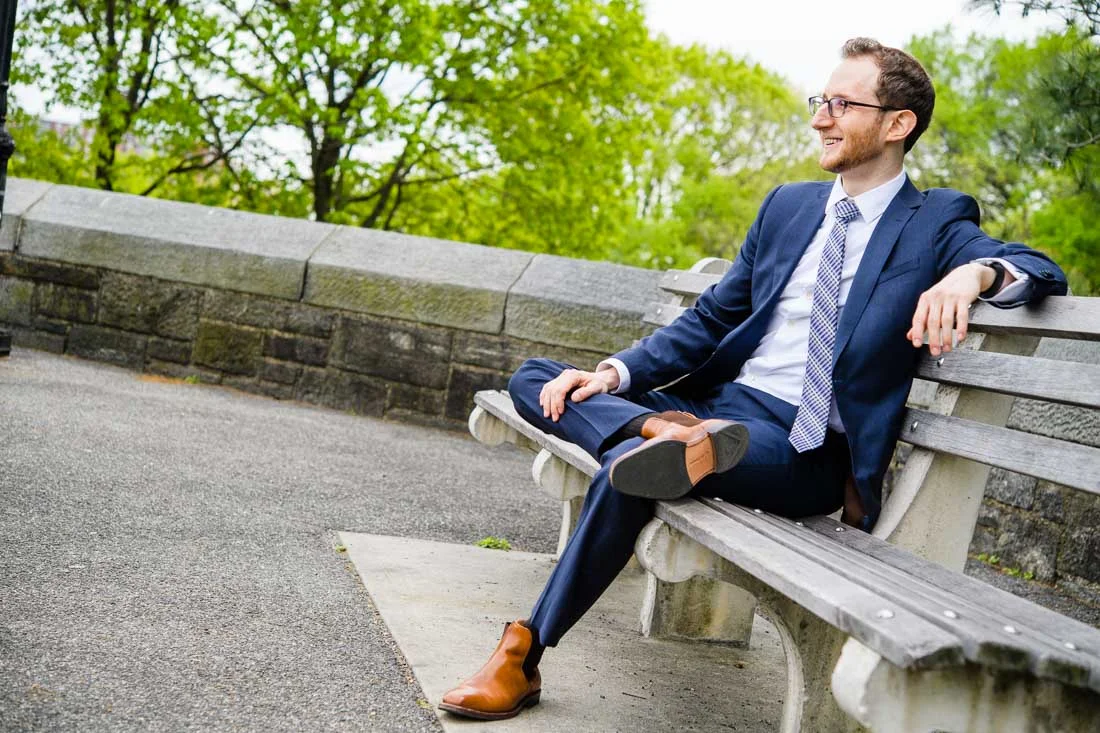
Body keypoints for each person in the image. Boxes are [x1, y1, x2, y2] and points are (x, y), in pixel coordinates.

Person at [438, 37, 1068, 721]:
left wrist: (971, 273)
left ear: (897, 124)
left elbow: (1035, 267)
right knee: (539, 376)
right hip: (710, 406)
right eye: (819, 102)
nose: (820, 118)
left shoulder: (936, 219)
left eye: (840, 104)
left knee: (633, 460)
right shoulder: (789, 206)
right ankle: (651, 428)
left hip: (802, 443)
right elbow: (712, 318)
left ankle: (522, 654)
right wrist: (614, 374)